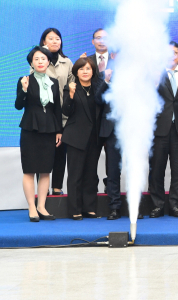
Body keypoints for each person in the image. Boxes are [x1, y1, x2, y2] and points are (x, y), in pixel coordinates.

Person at [15, 46, 62, 222]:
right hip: (30, 129)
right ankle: (32, 207)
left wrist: (59, 131)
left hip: (49, 129)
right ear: (31, 63)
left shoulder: (54, 82)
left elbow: (57, 108)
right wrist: (24, 90)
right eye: (36, 59)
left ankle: (42, 206)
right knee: (29, 170)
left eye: (43, 58)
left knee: (45, 170)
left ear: (48, 62)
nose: (40, 61)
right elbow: (18, 106)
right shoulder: (24, 80)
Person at [149, 42, 178, 219]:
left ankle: (175, 205)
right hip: (159, 129)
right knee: (157, 169)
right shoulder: (154, 73)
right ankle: (157, 205)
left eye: (175, 53)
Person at [61, 57, 103, 220]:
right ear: (76, 72)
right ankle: (75, 209)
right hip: (75, 138)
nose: (85, 72)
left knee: (91, 174)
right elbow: (66, 111)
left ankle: (89, 208)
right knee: (75, 175)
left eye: (88, 69)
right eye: (81, 69)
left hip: (94, 138)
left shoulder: (98, 88)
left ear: (93, 71)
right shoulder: (70, 87)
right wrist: (71, 95)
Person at [36, 28, 74, 196]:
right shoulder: (38, 61)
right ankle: (42, 191)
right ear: (44, 42)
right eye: (50, 38)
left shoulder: (67, 62)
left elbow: (73, 86)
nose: (54, 41)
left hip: (63, 116)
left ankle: (57, 187)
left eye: (57, 38)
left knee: (60, 153)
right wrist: (43, 55)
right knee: (43, 155)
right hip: (44, 116)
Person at [81, 28, 114, 194]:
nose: (102, 41)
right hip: (91, 118)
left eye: (105, 38)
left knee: (113, 159)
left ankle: (111, 189)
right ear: (93, 41)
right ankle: (90, 193)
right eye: (98, 38)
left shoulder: (117, 60)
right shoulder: (86, 62)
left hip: (112, 118)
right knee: (91, 158)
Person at [94, 73, 123, 220]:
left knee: (134, 170)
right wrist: (106, 80)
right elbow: (98, 99)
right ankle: (114, 207)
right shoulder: (104, 76)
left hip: (132, 130)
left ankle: (136, 207)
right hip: (111, 131)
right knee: (113, 171)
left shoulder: (136, 75)